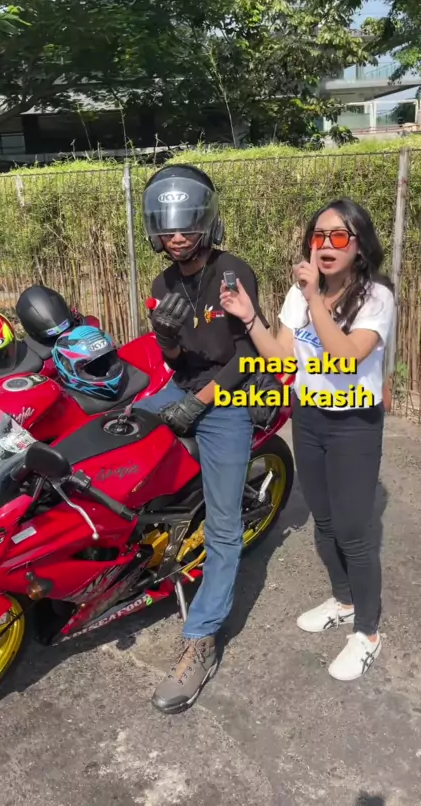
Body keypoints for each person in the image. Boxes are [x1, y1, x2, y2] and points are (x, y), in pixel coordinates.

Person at [220, 198, 395, 682]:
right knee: (324, 520)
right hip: (309, 417)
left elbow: (346, 357)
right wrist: (250, 317)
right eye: (319, 236)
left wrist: (314, 297)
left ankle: (368, 633)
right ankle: (342, 600)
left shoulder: (376, 297)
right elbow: (282, 359)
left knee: (354, 532)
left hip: (354, 424)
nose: (326, 245)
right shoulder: (299, 296)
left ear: (358, 245)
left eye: (339, 236)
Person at [134, 163, 270, 713]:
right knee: (119, 435)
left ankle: (203, 638)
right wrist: (166, 340)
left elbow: (247, 354)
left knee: (224, 526)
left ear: (206, 221)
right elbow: (176, 362)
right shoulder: (161, 285)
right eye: (167, 226)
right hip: (182, 386)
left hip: (229, 396)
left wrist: (201, 402)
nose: (176, 235)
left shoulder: (233, 272)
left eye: (187, 223)